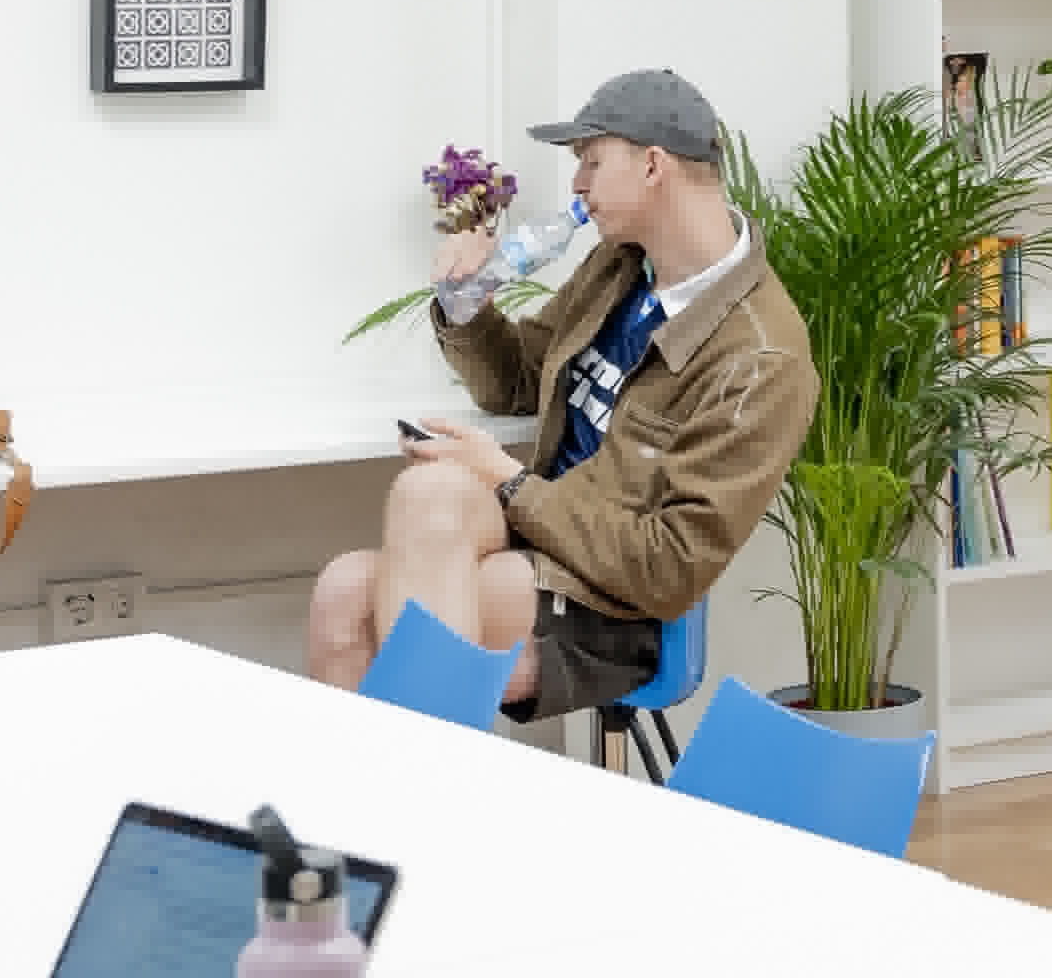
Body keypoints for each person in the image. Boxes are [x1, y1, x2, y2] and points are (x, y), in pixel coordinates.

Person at [309, 66, 813, 721]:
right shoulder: (620, 266)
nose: (576, 185)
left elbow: (670, 568)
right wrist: (467, 308)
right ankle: (382, 813)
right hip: (541, 534)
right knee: (364, 563)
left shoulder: (761, 353)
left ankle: (417, 809)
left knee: (353, 600)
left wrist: (508, 483)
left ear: (653, 165)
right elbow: (518, 380)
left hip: (617, 602)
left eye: (591, 161)